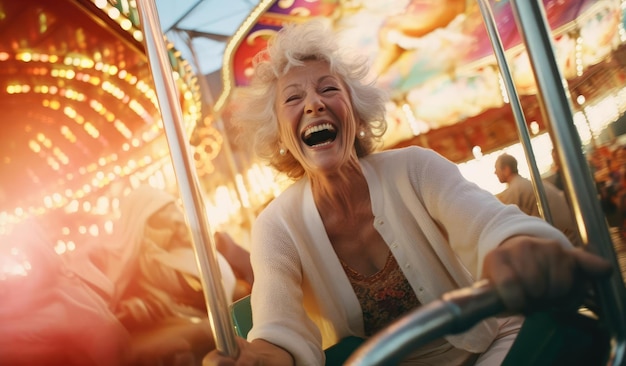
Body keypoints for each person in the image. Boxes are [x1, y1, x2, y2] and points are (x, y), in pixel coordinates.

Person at [204, 20, 612, 365]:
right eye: (293, 98)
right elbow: (278, 321)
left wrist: (516, 248)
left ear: (356, 112)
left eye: (329, 90)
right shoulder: (277, 225)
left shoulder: (415, 167)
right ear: (280, 135)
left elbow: (488, 222)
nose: (313, 104)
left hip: (493, 348)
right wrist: (265, 354)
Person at [494, 153, 583, 248]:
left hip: (565, 243)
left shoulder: (515, 190)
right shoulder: (525, 183)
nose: (495, 172)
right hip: (571, 235)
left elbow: (506, 227)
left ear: (506, 170)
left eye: (496, 169)